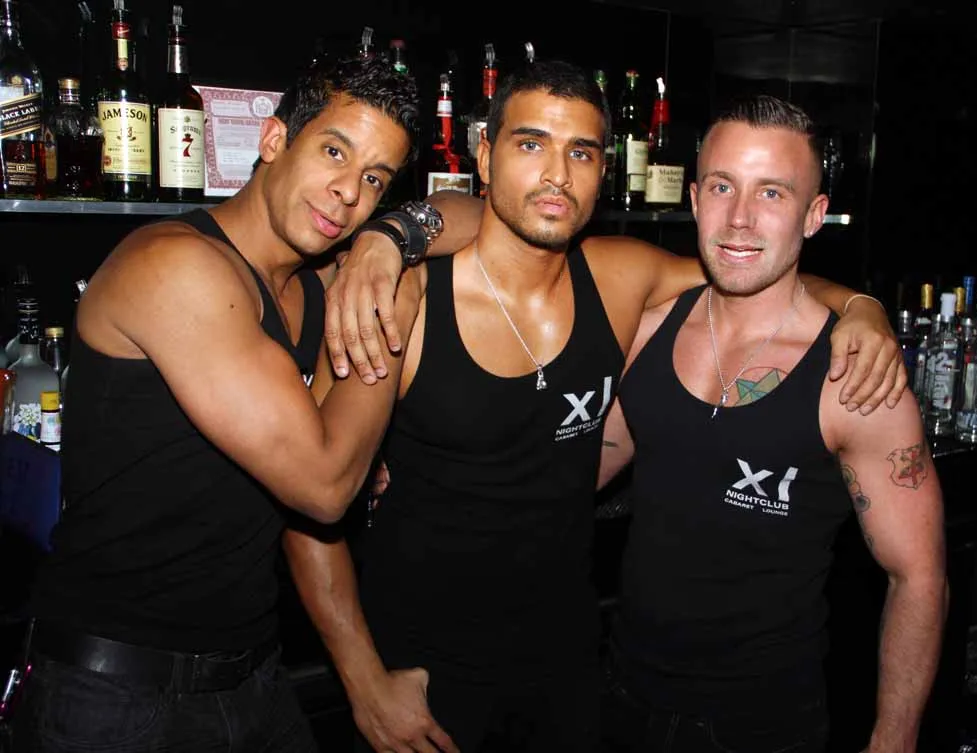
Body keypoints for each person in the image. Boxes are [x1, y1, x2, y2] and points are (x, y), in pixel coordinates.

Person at [287, 62, 907, 753]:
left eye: (580, 153)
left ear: (604, 171)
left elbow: (754, 269)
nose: (556, 174)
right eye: (530, 144)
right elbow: (309, 499)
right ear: (484, 158)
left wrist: (862, 305)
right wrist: (365, 682)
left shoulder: (620, 278)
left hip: (573, 678)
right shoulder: (405, 299)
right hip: (424, 682)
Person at [12, 55, 440, 752]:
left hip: (252, 676)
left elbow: (476, 216)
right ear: (274, 139)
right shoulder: (176, 266)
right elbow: (325, 486)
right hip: (112, 697)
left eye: (374, 179)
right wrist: (399, 297)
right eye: (334, 152)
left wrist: (393, 240)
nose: (347, 193)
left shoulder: (309, 288)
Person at [597, 95, 947, 753]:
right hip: (621, 700)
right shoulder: (644, 333)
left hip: (762, 724)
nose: (740, 218)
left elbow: (919, 576)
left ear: (814, 215)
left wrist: (894, 737)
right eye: (722, 187)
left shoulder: (852, 377)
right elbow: (568, 473)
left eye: (772, 193)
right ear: (694, 199)